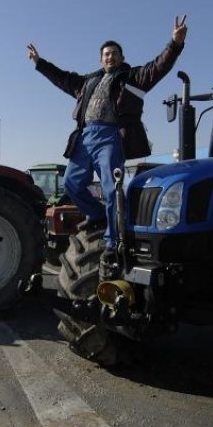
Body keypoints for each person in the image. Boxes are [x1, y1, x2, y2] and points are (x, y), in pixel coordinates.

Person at [27, 16, 188, 261]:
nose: (109, 57)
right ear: (101, 59)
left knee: (111, 189)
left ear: (121, 58)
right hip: (84, 136)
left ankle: (112, 239)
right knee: (71, 183)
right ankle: (98, 216)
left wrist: (174, 43)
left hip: (110, 135)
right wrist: (40, 63)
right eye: (106, 54)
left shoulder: (133, 78)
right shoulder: (88, 82)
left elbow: (159, 66)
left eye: (114, 53)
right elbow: (63, 78)